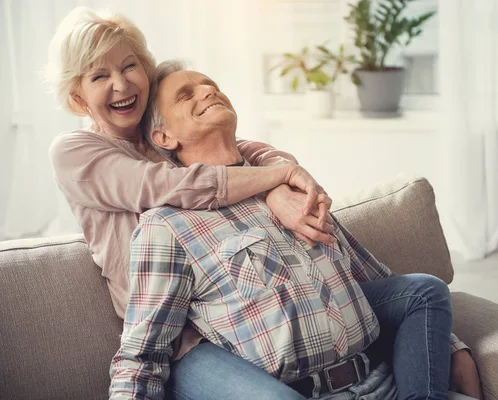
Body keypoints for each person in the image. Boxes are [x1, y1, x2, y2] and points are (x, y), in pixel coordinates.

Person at [109, 61, 483, 400]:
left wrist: (449, 345)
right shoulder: (168, 225)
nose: (209, 91)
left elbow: (370, 274)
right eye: (186, 95)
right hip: (294, 392)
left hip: (381, 381)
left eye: (211, 85)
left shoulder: (292, 192)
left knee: (427, 288)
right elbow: (143, 353)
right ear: (163, 138)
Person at [46, 7, 338, 398]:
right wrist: (275, 179)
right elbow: (170, 186)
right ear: (78, 97)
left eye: (129, 66)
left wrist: (277, 183)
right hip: (182, 341)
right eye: (100, 76)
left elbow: (244, 150)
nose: (120, 83)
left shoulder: (162, 136)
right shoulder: (76, 151)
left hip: (240, 314)